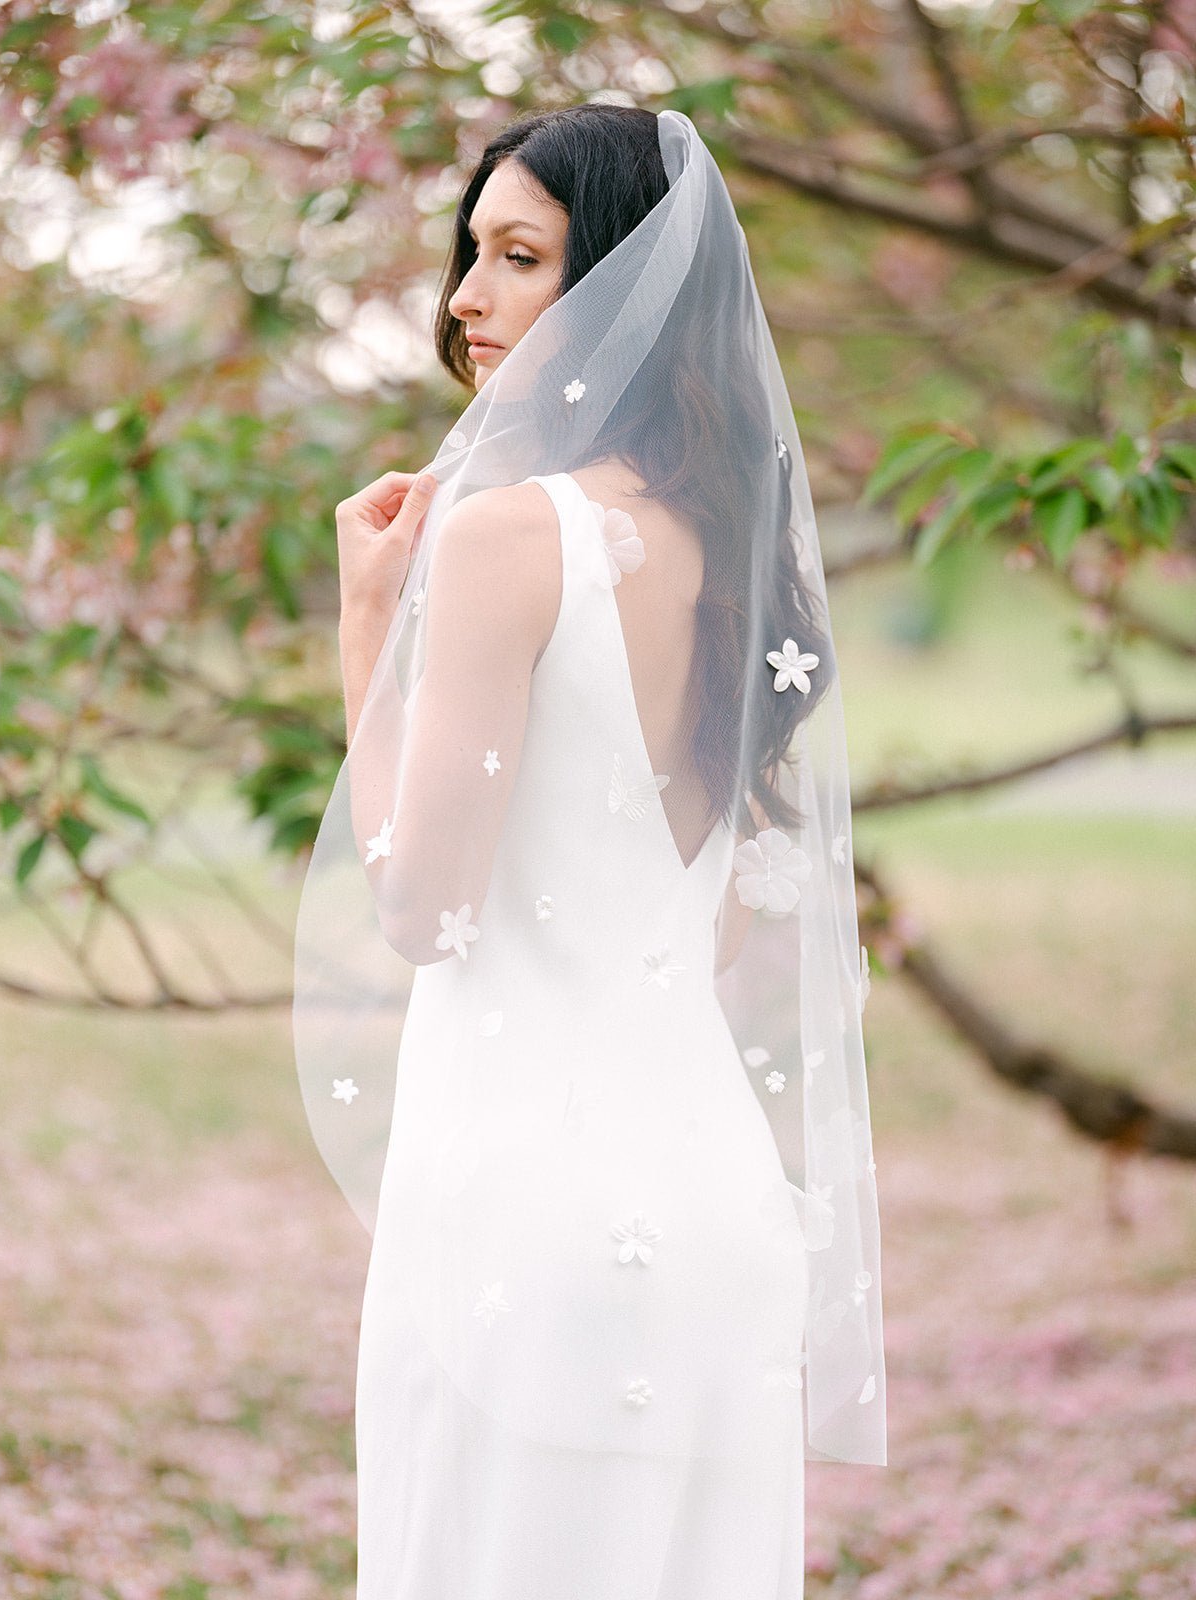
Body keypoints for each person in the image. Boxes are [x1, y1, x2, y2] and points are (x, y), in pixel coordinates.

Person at [294, 103, 886, 1600]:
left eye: (516, 257)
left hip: (525, 1229)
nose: (463, 301)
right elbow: (722, 933)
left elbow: (421, 909)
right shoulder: (727, 541)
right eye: (468, 255)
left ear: (619, 281)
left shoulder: (505, 539)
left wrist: (368, 624)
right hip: (714, 1225)